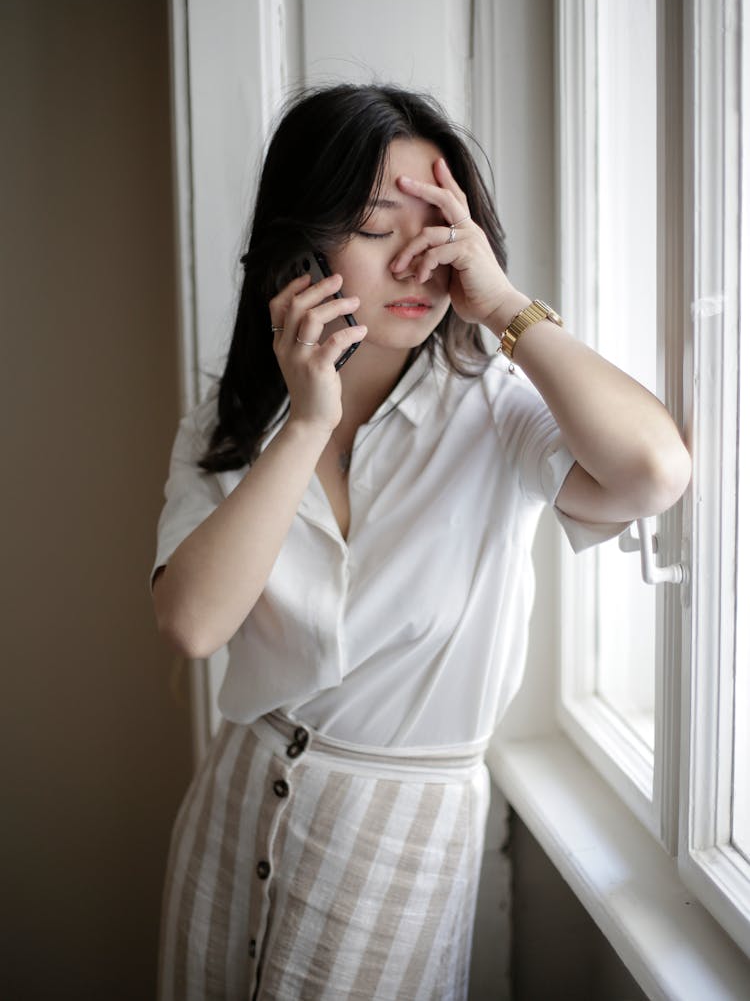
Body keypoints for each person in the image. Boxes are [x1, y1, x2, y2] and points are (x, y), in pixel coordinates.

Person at [151, 84, 690, 1000]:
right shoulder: (234, 419)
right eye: (373, 225)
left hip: (397, 842)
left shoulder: (496, 407)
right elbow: (194, 624)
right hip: (235, 807)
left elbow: (654, 470)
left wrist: (509, 307)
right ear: (301, 243)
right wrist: (309, 422)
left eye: (440, 221)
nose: (416, 259)